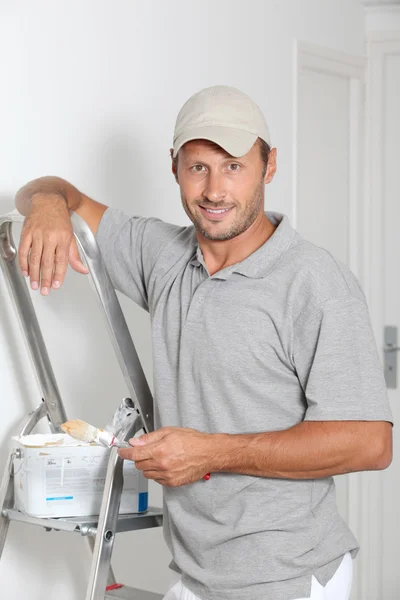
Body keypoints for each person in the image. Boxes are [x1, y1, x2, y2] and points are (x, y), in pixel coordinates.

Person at [14, 85, 393, 600]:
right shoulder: (162, 255)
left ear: (269, 165)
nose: (215, 190)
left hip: (286, 576)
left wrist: (211, 453)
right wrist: (47, 208)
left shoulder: (315, 283)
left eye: (234, 166)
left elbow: (370, 443)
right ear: (174, 167)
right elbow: (58, 190)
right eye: (198, 168)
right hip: (197, 576)